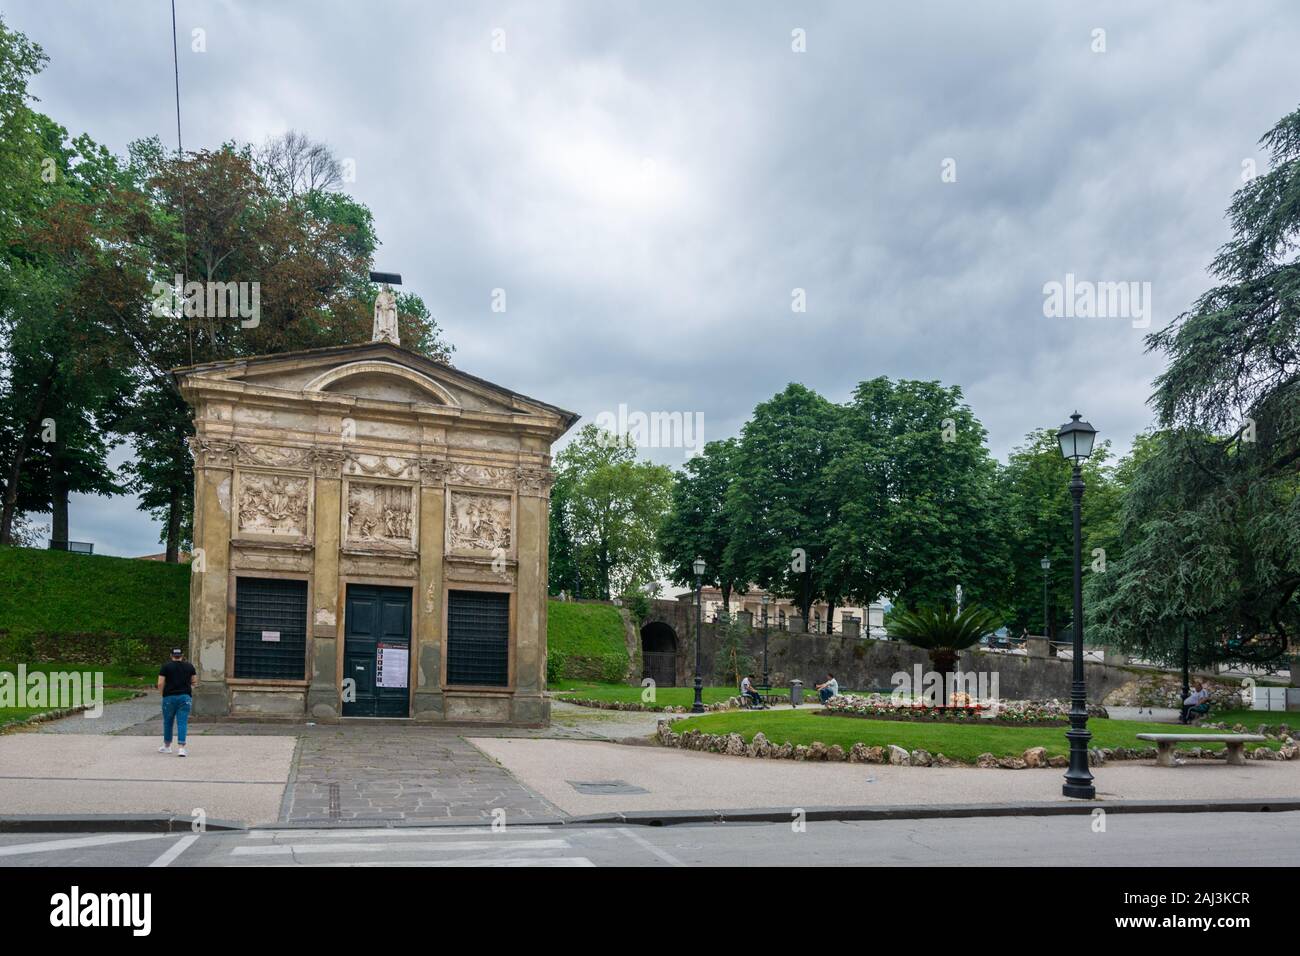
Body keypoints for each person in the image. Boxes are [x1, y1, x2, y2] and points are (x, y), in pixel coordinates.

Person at [158, 647, 197, 756]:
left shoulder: (166, 667)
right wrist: (189, 690)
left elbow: (160, 683)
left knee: (168, 722)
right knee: (182, 722)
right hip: (185, 697)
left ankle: (167, 746)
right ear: (182, 655)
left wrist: (162, 694)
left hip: (169, 697)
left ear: (171, 656)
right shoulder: (189, 666)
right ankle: (181, 748)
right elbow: (194, 681)